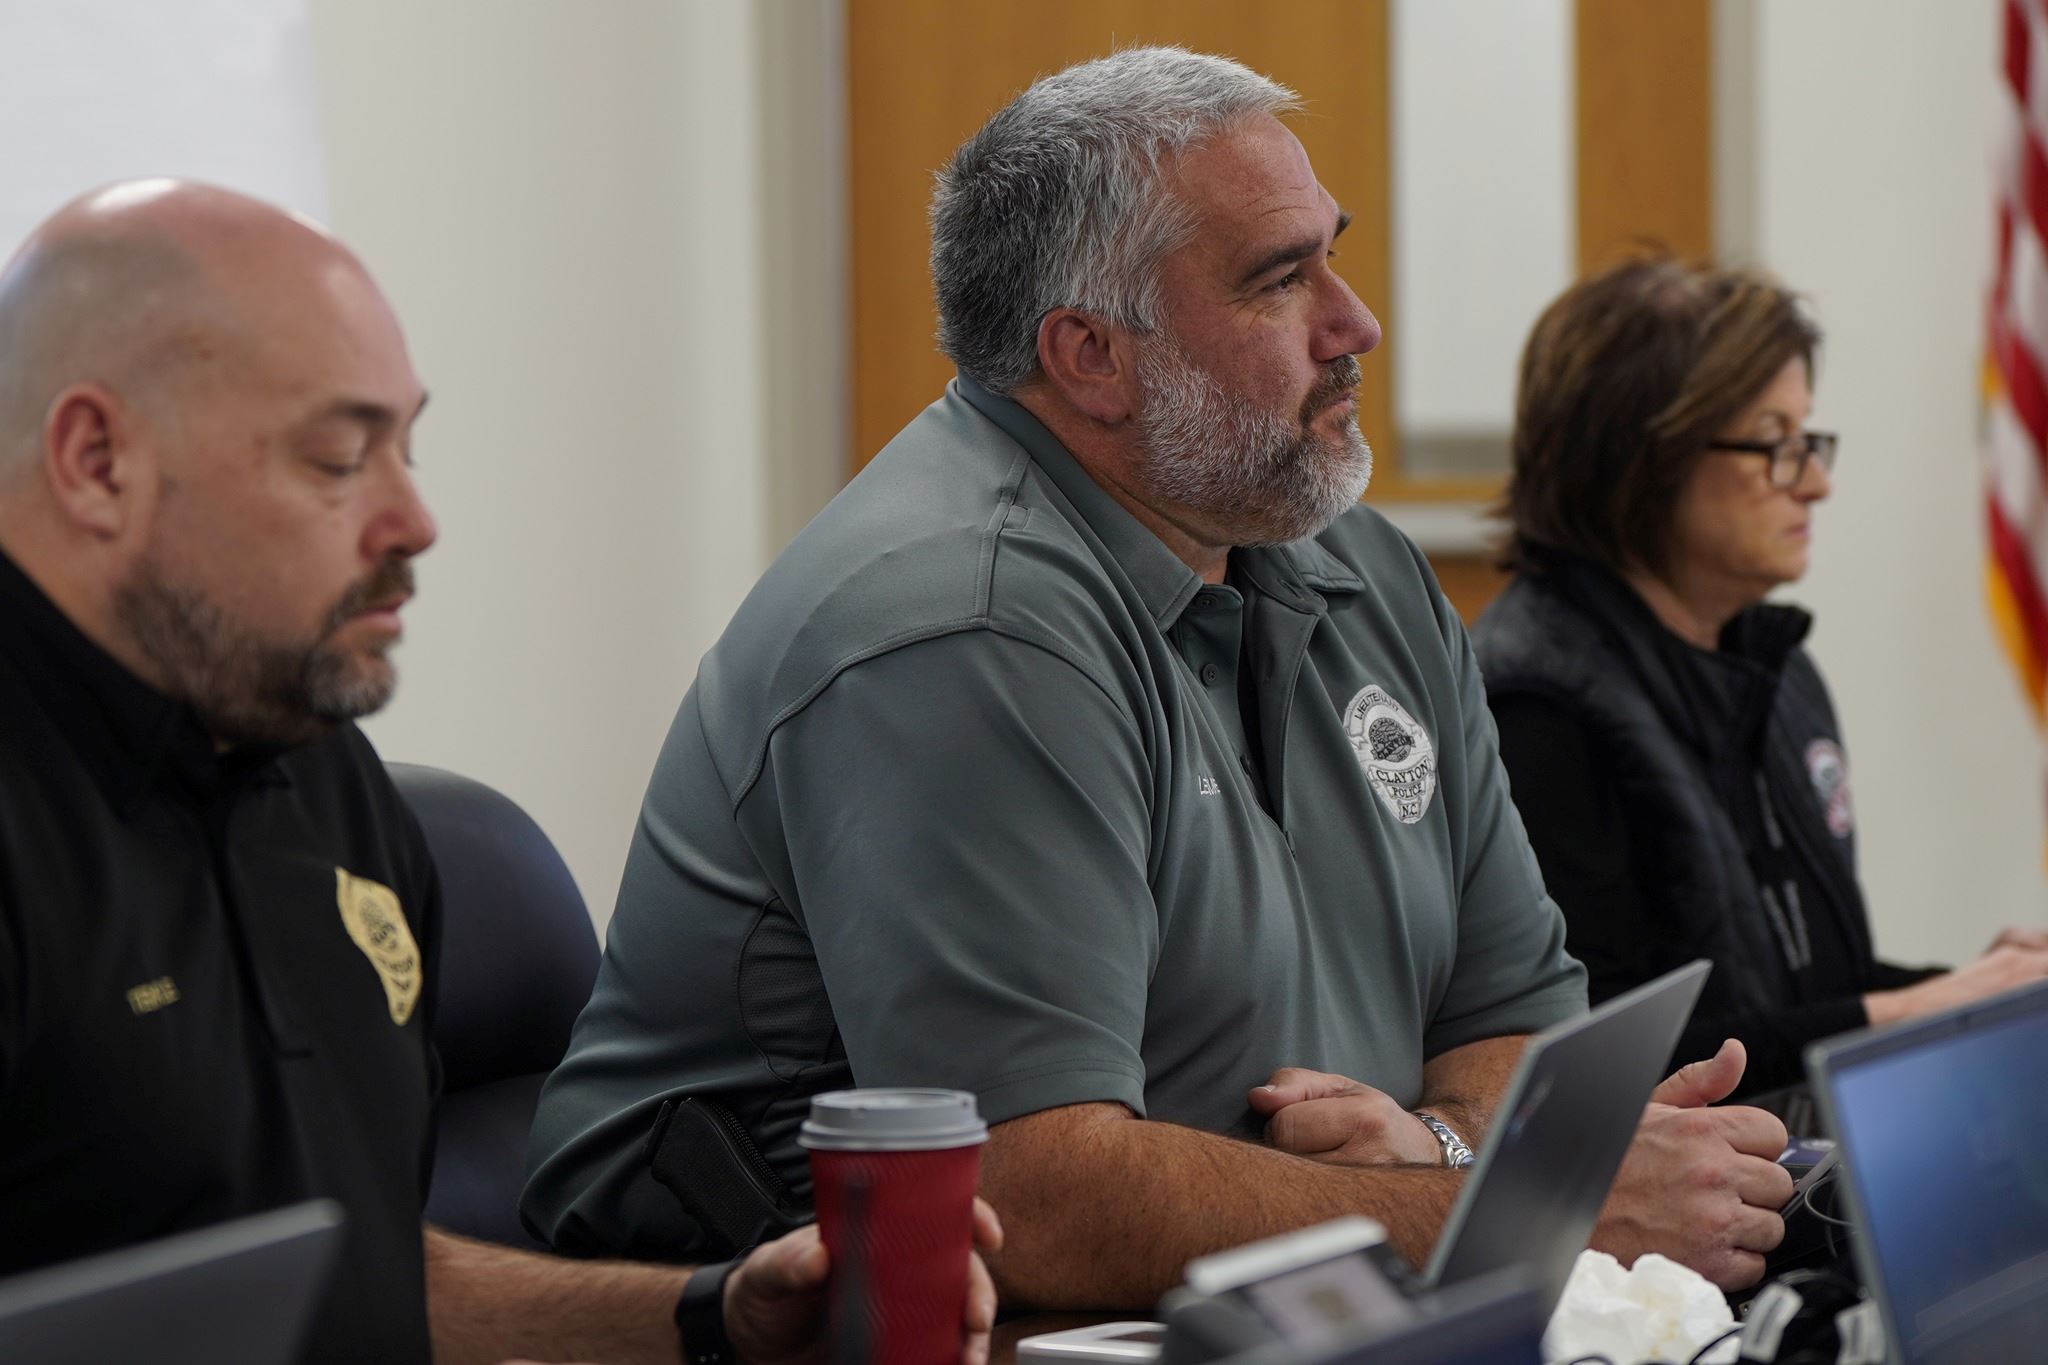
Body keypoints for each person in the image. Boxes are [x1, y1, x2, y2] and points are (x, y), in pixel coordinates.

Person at [523, 48, 1795, 1310]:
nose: (1353, 325)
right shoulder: (960, 624)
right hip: (857, 1325)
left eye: (1330, 256)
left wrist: (1441, 1150)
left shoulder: (1359, 567)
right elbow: (1033, 1201)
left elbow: (1517, 1023)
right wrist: (1525, 1206)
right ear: (1089, 356)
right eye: (1279, 280)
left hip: (1273, 1307)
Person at [0, 179, 998, 1365]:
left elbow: (368, 1274)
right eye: (337, 457)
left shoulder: (328, 791)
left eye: (405, 448)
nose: (413, 518)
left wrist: (709, 1318)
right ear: (97, 459)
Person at [1471, 257, 2048, 1102]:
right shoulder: (1533, 710)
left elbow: (1805, 988)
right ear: (1644, 456)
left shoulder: (1774, 668)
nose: (1816, 482)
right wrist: (1915, 1008)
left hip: (1792, 1175)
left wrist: (1991, 988)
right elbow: (1597, 1061)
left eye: (1808, 440)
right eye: (1774, 445)